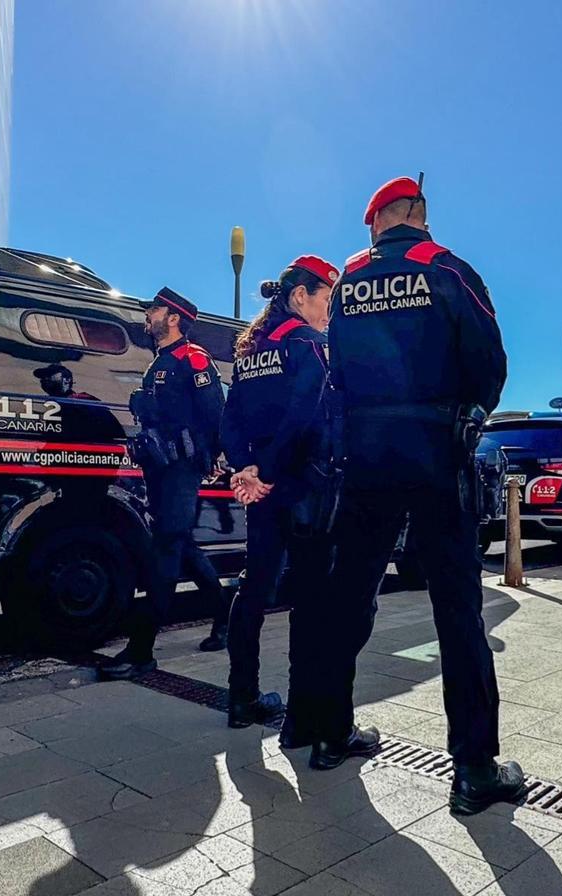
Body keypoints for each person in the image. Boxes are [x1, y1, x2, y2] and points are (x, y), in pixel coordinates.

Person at [317, 175, 525, 816]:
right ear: (421, 216)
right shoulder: (449, 269)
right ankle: (473, 769)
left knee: (348, 592)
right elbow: (490, 361)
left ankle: (329, 733)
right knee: (457, 606)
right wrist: (466, 411)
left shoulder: (348, 281)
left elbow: (337, 367)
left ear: (384, 216)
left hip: (368, 453)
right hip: (437, 451)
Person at [219, 255, 339, 737]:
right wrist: (266, 470)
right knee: (310, 595)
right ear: (299, 297)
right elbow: (304, 414)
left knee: (254, 587)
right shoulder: (307, 344)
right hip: (300, 485)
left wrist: (245, 469)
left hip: (261, 489)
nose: (329, 310)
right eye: (326, 298)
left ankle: (241, 699)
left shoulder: (250, 354)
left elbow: (229, 421)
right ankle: (301, 718)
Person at [99, 288, 230, 680]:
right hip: (159, 468)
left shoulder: (194, 358)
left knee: (167, 549)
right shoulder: (160, 362)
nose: (148, 315)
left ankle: (142, 651)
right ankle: (225, 616)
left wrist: (213, 458)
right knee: (182, 546)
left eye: (154, 310)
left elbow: (216, 414)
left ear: (173, 318)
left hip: (181, 469)